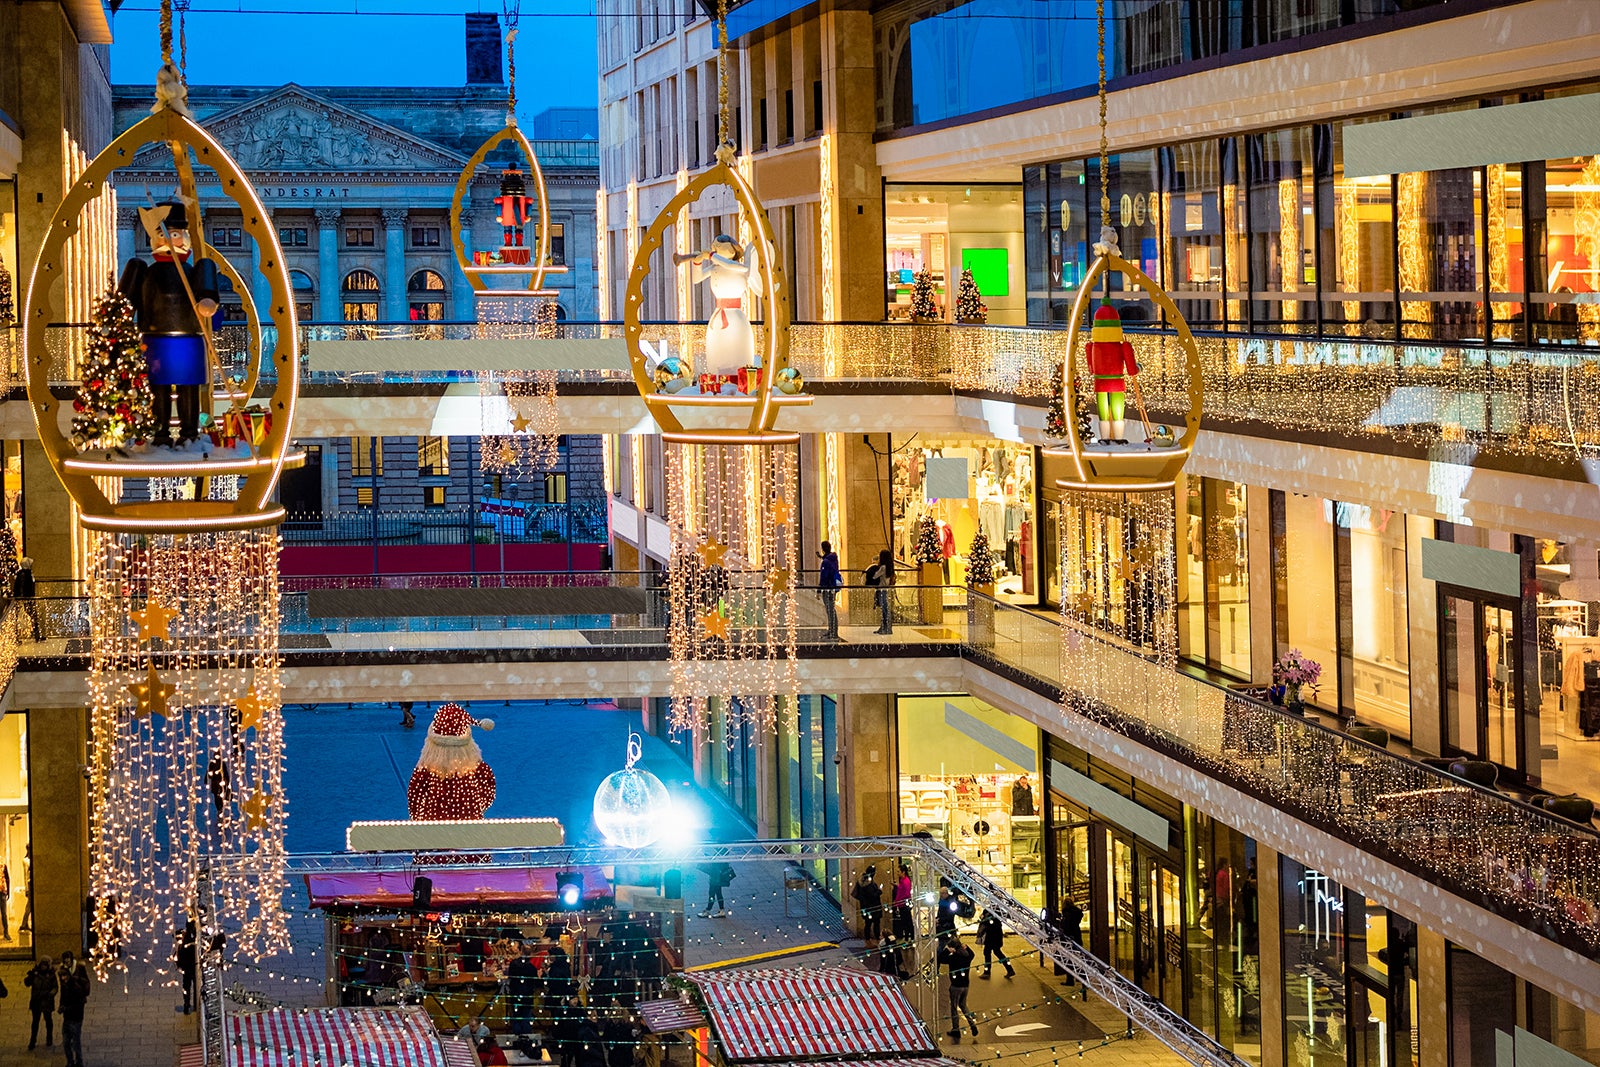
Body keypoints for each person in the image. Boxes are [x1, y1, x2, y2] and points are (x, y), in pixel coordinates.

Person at [118, 201, 220, 446]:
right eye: (163, 234)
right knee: (158, 390)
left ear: (182, 236)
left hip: (188, 339)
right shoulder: (142, 269)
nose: (167, 239)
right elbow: (124, 303)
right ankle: (161, 432)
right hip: (155, 340)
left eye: (173, 234)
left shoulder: (197, 269)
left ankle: (189, 432)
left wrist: (207, 301)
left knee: (189, 389)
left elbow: (209, 301)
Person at [938, 936, 979, 1042]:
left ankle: (956, 1029)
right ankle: (972, 1024)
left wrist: (947, 950)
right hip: (966, 984)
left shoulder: (953, 958)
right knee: (963, 1005)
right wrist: (967, 947)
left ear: (953, 948)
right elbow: (972, 954)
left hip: (956, 985)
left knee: (954, 1007)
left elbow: (941, 959)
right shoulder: (967, 956)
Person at [58, 952, 90, 1067]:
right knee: (67, 1041)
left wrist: (66, 1007)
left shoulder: (79, 971)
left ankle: (78, 1062)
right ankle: (70, 1061)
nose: (62, 978)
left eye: (64, 976)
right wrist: (62, 1005)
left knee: (76, 1041)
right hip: (68, 1015)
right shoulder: (63, 971)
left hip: (75, 1015)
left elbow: (85, 988)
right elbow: (62, 992)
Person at [25, 955, 57, 1048]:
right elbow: (27, 983)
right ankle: (33, 1040)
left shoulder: (51, 975)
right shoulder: (35, 973)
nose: (43, 967)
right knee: (35, 1022)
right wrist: (31, 975)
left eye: (45, 965)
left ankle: (49, 1038)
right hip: (36, 1001)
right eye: (42, 964)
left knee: (48, 1020)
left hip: (47, 1001)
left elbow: (55, 987)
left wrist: (50, 994)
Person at [976, 910, 1015, 978]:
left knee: (988, 952)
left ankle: (987, 972)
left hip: (993, 936)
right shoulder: (991, 910)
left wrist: (984, 920)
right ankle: (1010, 970)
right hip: (994, 936)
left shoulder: (994, 911)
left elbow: (990, 923)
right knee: (997, 952)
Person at [817, 541, 843, 640]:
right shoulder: (833, 559)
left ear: (823, 549)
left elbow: (823, 577)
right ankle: (832, 630)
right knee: (831, 609)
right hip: (833, 587)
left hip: (827, 588)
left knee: (830, 610)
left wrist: (819, 590)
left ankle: (833, 631)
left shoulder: (826, 562)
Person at [851, 865, 883, 942]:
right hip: (873, 907)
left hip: (865, 907)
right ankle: (876, 939)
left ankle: (867, 939)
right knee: (876, 923)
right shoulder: (869, 884)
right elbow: (872, 896)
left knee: (868, 924)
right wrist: (879, 891)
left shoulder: (862, 881)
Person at [865, 550, 894, 635]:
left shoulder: (883, 567)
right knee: (885, 608)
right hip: (885, 588)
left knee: (884, 609)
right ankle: (885, 627)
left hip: (881, 589)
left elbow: (875, 576)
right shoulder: (889, 567)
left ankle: (886, 628)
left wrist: (875, 564)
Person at [176, 920, 198, 1013]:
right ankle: (195, 1005)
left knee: (187, 986)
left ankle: (187, 1005)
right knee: (196, 986)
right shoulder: (195, 937)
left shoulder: (184, 936)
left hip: (186, 966)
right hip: (193, 966)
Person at [13, 557, 36, 640]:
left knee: (32, 615)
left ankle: (36, 633)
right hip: (25, 598)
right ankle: (34, 634)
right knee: (31, 615)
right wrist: (22, 598)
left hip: (26, 598)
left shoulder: (26, 573)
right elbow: (22, 587)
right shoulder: (24, 574)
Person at [892, 863, 914, 943]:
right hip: (902, 904)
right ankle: (908, 938)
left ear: (903, 872)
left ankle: (909, 938)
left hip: (904, 904)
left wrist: (898, 902)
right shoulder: (903, 881)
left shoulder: (905, 881)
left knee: (907, 922)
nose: (897, 873)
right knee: (906, 921)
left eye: (899, 871)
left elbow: (905, 894)